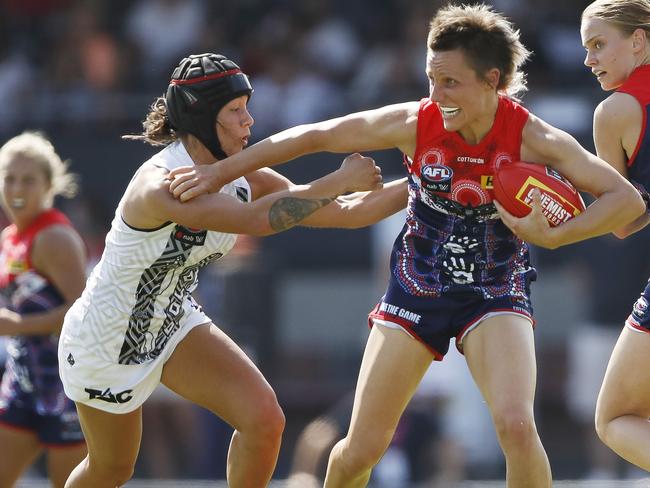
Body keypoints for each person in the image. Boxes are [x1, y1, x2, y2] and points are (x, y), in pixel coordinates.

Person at [168, 5, 646, 487]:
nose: (436, 95)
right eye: (430, 79)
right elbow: (312, 137)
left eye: (450, 83)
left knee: (518, 427)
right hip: (414, 291)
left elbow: (625, 200)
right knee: (359, 449)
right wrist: (220, 171)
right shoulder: (415, 122)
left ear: (491, 80)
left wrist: (559, 235)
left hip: (496, 292)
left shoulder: (533, 138)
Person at [56, 52, 407, 488]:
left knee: (264, 421)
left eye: (247, 107)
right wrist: (336, 180)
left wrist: (428, 180)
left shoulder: (243, 174)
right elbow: (259, 220)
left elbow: (350, 212)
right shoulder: (160, 183)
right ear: (202, 118)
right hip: (108, 336)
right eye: (236, 111)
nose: (250, 122)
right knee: (112, 468)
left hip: (173, 320)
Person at [579, 0, 650, 472]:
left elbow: (622, 221)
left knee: (615, 418)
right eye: (587, 48)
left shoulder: (616, 111)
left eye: (600, 45)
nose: (590, 60)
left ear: (639, 42)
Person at [0, 132, 87, 487]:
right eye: (9, 178)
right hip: (23, 381)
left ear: (49, 185)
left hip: (68, 387)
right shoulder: (10, 238)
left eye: (29, 180)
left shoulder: (54, 238)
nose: (17, 188)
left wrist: (19, 325)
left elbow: (84, 314)